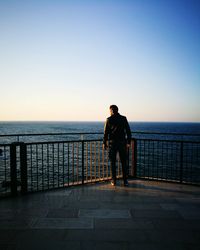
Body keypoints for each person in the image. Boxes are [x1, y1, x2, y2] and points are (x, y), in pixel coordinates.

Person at [103, 105, 131, 186]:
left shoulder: (109, 119)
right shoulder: (123, 118)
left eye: (109, 110)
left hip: (113, 143)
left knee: (112, 162)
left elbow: (105, 133)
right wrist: (128, 142)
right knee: (124, 162)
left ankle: (114, 181)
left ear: (111, 110)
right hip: (122, 143)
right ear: (117, 110)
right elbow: (128, 131)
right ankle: (125, 181)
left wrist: (104, 143)